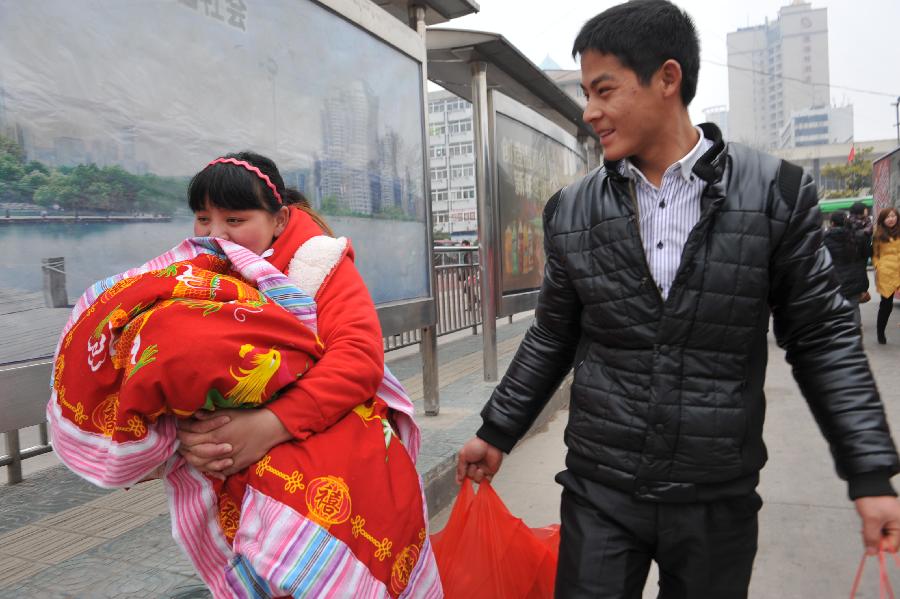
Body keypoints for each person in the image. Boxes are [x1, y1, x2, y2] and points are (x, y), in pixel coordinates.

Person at [456, 2, 900, 597]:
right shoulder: (572, 211)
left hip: (716, 494)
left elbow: (822, 336)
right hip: (600, 487)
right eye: (586, 93)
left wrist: (869, 472)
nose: (590, 112)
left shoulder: (774, 194)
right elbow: (553, 334)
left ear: (668, 79)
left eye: (603, 90)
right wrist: (496, 429)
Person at [49, 151, 440, 597]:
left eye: (235, 219)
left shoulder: (318, 264)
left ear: (279, 219)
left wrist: (269, 425)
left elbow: (358, 360)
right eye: (202, 219)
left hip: (331, 466)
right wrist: (176, 439)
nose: (215, 233)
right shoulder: (197, 274)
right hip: (237, 481)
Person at [823, 210, 870, 332]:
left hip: (833, 282)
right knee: (854, 308)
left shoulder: (824, 240)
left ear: (832, 223)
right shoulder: (858, 236)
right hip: (855, 281)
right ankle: (855, 337)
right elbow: (864, 259)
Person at [874, 207, 900, 344]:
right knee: (886, 305)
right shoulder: (878, 234)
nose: (891, 219)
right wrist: (879, 266)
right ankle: (880, 333)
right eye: (888, 217)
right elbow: (875, 255)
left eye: (893, 216)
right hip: (886, 273)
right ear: (883, 220)